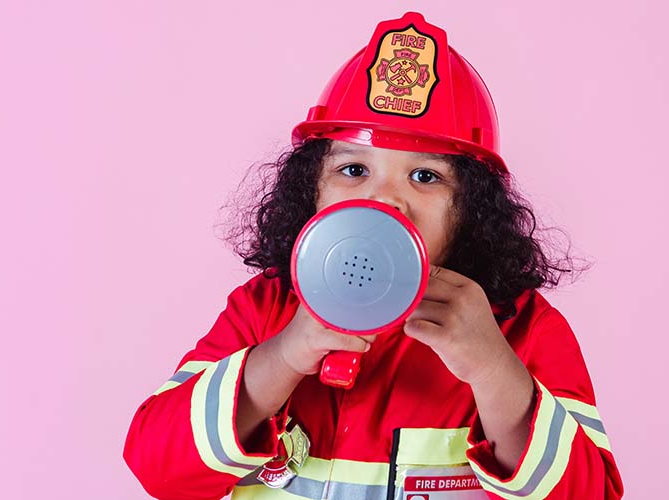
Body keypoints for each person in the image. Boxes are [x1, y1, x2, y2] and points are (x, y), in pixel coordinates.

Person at [124, 12, 624, 500]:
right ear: (310, 190)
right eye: (354, 169)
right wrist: (284, 355)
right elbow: (157, 468)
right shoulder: (262, 310)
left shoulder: (522, 329)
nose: (384, 198)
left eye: (425, 176)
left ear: (470, 209)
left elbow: (590, 492)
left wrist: (493, 369)